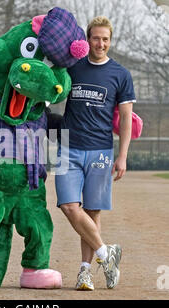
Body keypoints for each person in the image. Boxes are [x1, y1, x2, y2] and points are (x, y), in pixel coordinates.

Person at [54, 16, 136, 290]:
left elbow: (126, 119)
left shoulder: (121, 74)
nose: (100, 43)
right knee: (68, 206)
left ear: (110, 41)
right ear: (87, 40)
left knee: (92, 212)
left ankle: (85, 272)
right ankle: (106, 253)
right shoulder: (73, 67)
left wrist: (122, 155)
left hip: (101, 150)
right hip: (68, 147)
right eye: (95, 38)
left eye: (105, 39)